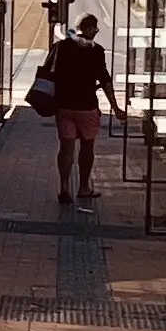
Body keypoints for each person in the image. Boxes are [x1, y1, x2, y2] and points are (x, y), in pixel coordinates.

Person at [42, 13, 125, 205]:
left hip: (63, 106)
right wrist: (116, 108)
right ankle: (83, 187)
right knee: (87, 147)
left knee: (66, 147)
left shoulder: (60, 47)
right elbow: (105, 81)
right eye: (95, 29)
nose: (96, 33)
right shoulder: (96, 51)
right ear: (88, 29)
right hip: (87, 107)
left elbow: (48, 72)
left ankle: (63, 187)